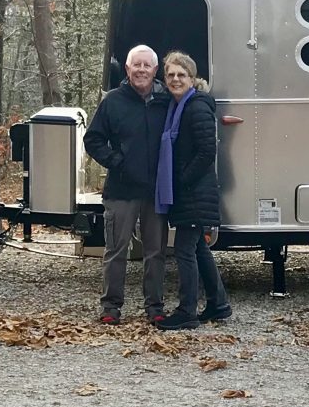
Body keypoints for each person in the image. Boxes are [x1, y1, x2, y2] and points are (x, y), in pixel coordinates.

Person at [83, 44, 171, 325]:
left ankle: (155, 307)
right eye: (137, 65)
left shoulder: (166, 101)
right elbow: (92, 139)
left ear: (155, 70)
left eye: (147, 65)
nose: (141, 70)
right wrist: (116, 160)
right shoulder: (113, 101)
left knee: (155, 252)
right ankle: (110, 307)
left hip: (156, 191)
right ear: (127, 69)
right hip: (121, 190)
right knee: (116, 250)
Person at [154, 51, 231, 330]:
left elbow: (207, 151)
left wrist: (183, 180)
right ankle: (218, 304)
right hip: (190, 191)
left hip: (194, 191)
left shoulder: (196, 106)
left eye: (181, 74)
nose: (175, 79)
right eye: (170, 75)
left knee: (184, 250)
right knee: (198, 248)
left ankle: (187, 310)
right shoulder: (177, 107)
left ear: (192, 78)